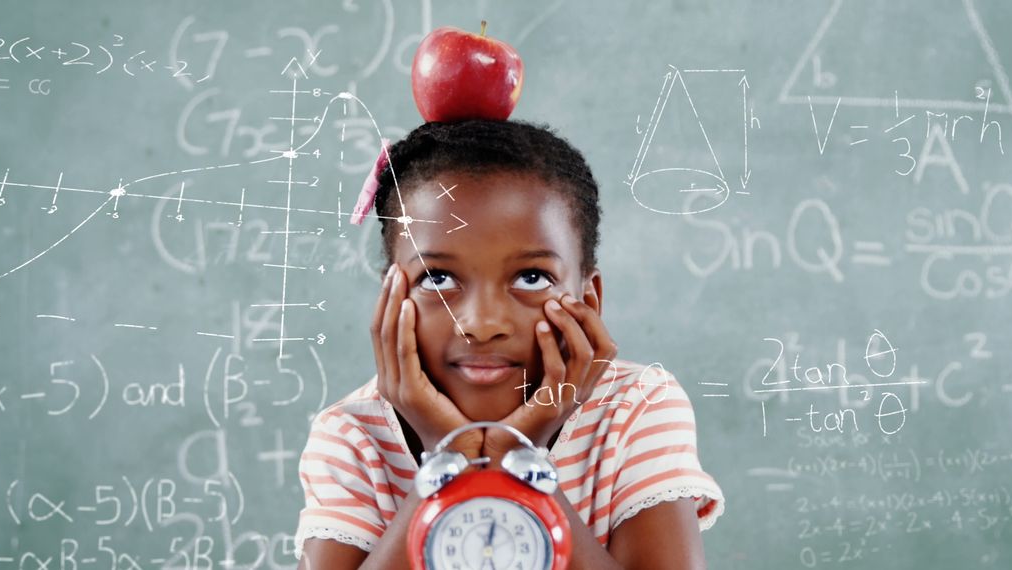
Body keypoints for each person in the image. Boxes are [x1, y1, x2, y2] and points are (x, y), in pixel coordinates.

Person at [295, 119, 724, 569]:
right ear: (390, 299)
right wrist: (449, 455)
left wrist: (515, 455)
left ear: (589, 301)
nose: (482, 324)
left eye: (531, 277)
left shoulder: (634, 408)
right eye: (437, 278)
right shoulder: (354, 438)